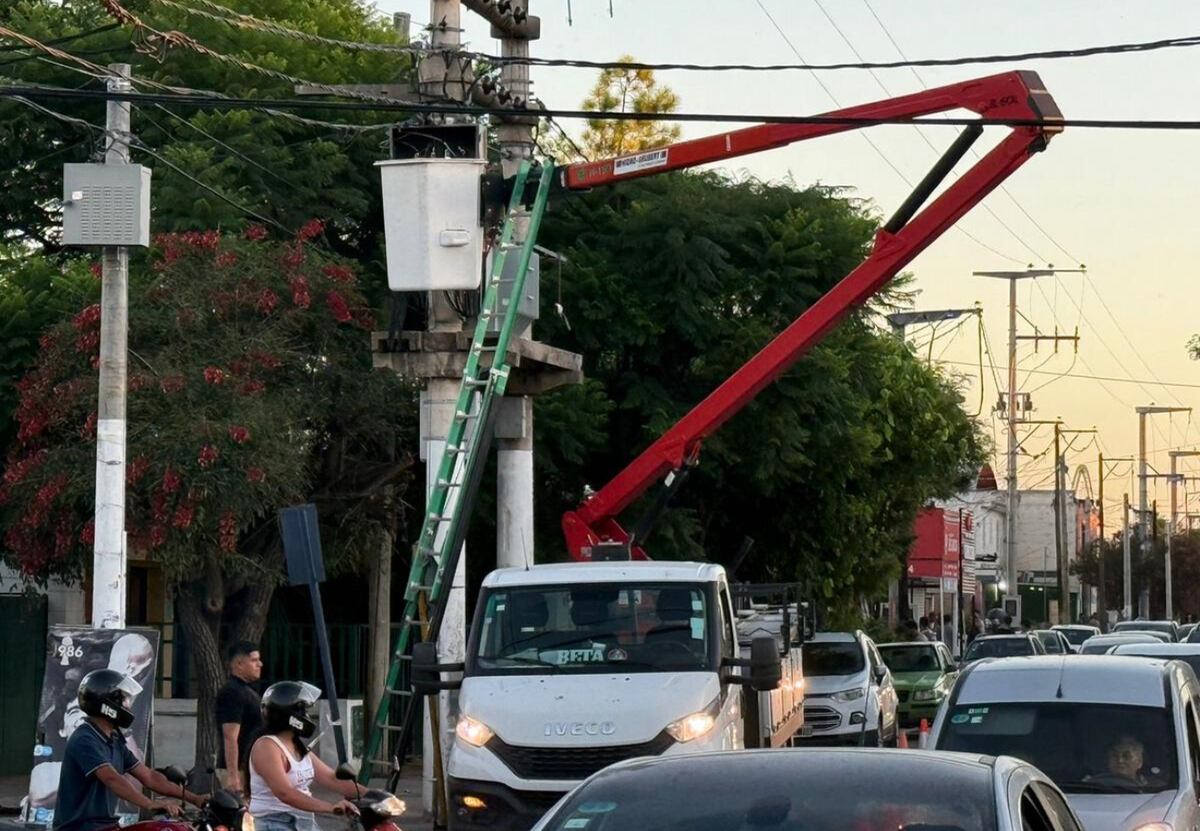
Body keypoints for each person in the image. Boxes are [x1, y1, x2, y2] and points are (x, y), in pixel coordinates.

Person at [53, 669, 205, 831]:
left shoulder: (114, 740)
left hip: (106, 826)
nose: (127, 704)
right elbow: (111, 778)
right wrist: (150, 803)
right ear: (107, 705)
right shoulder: (85, 739)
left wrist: (195, 799)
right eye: (123, 699)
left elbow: (149, 776)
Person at [248, 681, 360, 831]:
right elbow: (285, 793)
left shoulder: (297, 746)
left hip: (303, 822)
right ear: (290, 715)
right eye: (303, 711)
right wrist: (331, 807)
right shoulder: (267, 747)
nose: (307, 716)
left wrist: (375, 795)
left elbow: (331, 778)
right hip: (277, 823)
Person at [216, 640, 264, 795]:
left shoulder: (248, 691)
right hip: (238, 771)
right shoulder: (232, 692)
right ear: (239, 664)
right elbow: (230, 736)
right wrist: (233, 776)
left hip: (250, 768)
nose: (260, 664)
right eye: (254, 660)